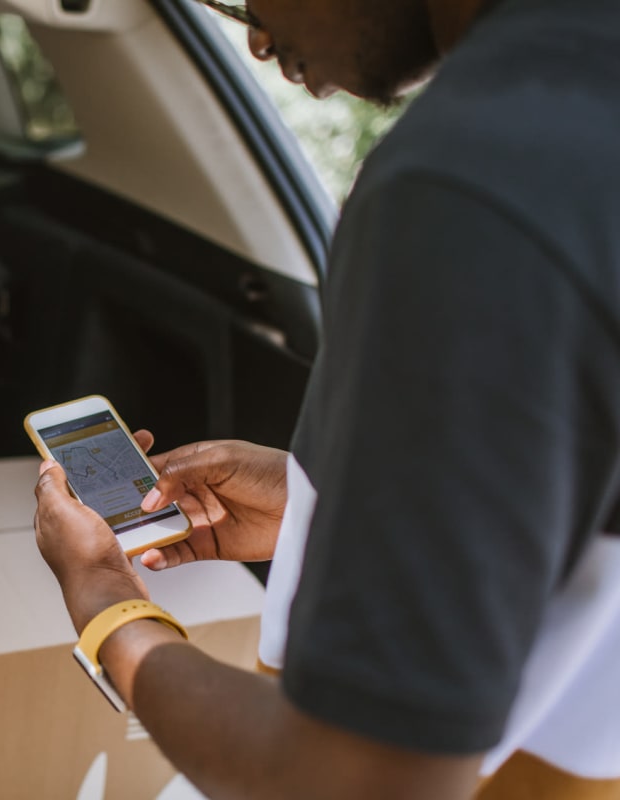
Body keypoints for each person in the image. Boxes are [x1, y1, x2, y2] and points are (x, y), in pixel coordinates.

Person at [33, 0, 620, 796]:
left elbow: (343, 780)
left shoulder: (470, 182)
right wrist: (323, 505)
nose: (258, 34)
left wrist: (103, 599)